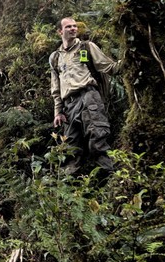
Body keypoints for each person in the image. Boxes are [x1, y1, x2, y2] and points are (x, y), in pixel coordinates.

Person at [50, 17, 121, 176]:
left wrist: (130, 60)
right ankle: (70, 192)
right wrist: (58, 112)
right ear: (60, 31)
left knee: (97, 140)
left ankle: (116, 181)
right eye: (68, 27)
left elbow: (108, 66)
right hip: (69, 105)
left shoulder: (87, 47)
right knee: (70, 149)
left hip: (89, 97)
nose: (73, 29)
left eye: (75, 26)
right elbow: (56, 88)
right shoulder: (55, 58)